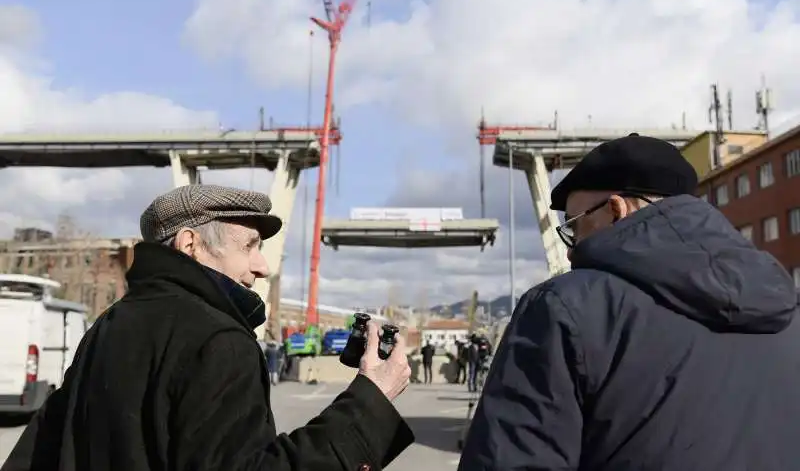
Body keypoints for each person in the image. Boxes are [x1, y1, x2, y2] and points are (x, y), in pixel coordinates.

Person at [3, 184, 414, 471]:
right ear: (189, 244)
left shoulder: (109, 324)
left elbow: (39, 453)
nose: (262, 266)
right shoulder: (219, 340)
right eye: (249, 246)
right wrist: (370, 402)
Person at [458, 133, 800, 470]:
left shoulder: (562, 309)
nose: (570, 248)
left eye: (575, 227)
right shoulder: (786, 307)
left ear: (616, 209)